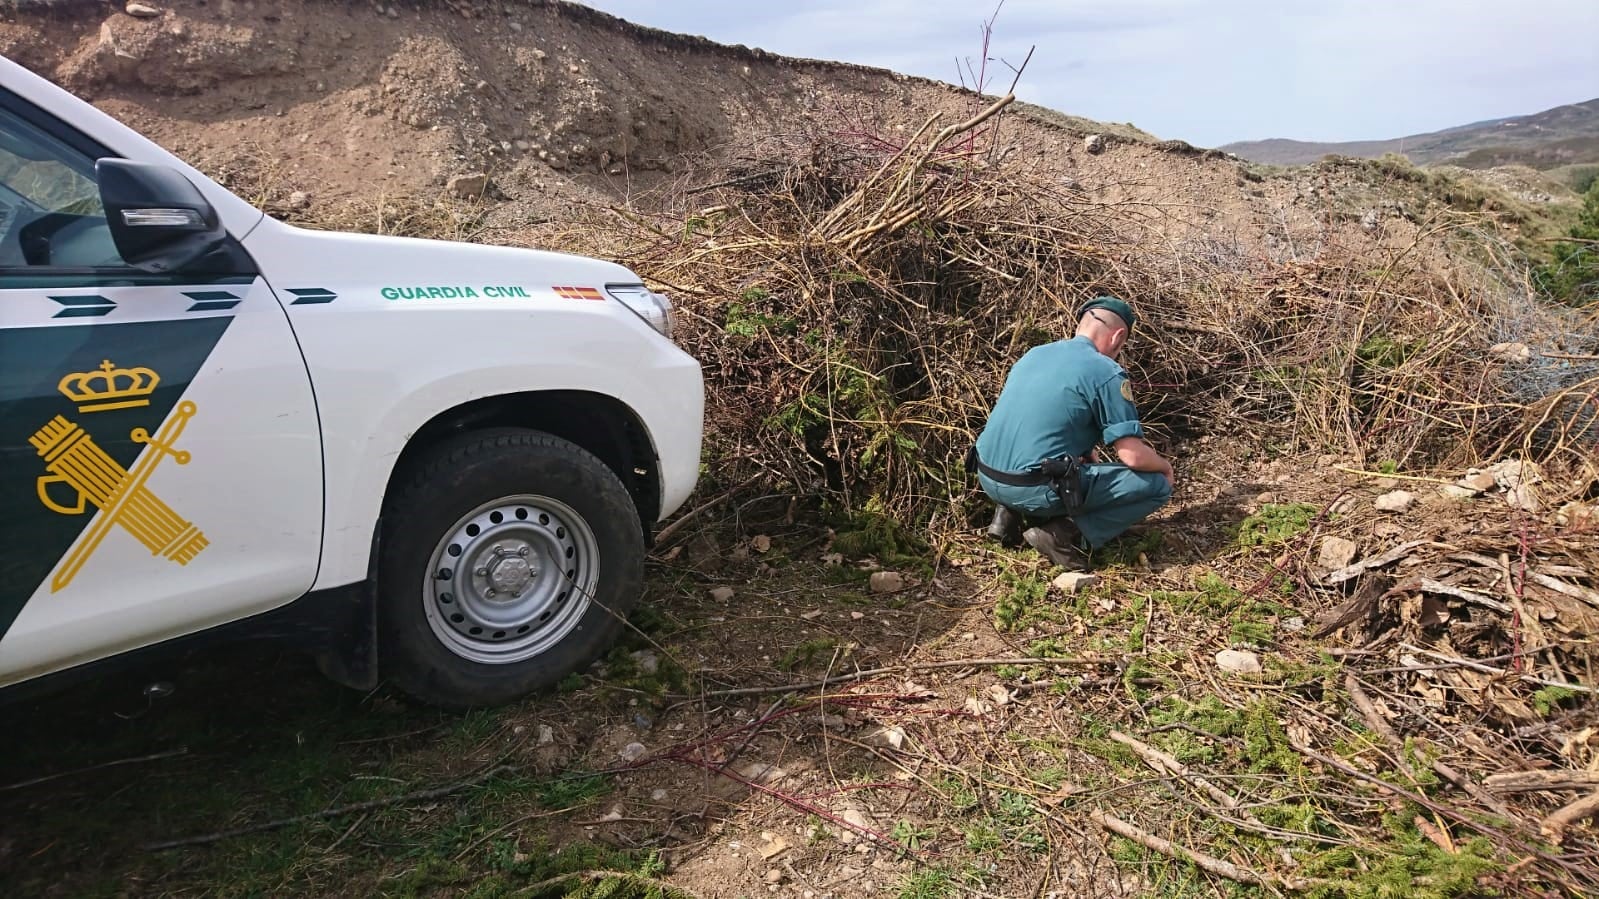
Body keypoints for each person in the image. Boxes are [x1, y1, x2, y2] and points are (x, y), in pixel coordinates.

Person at [968, 296, 1174, 569]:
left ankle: (1006, 517)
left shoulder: (1035, 354)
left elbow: (1042, 422)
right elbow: (1132, 456)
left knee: (1045, 461)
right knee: (1157, 485)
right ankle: (1062, 534)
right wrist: (1165, 467)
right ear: (1118, 336)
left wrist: (1085, 453)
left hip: (988, 476)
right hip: (1031, 488)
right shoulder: (1107, 371)